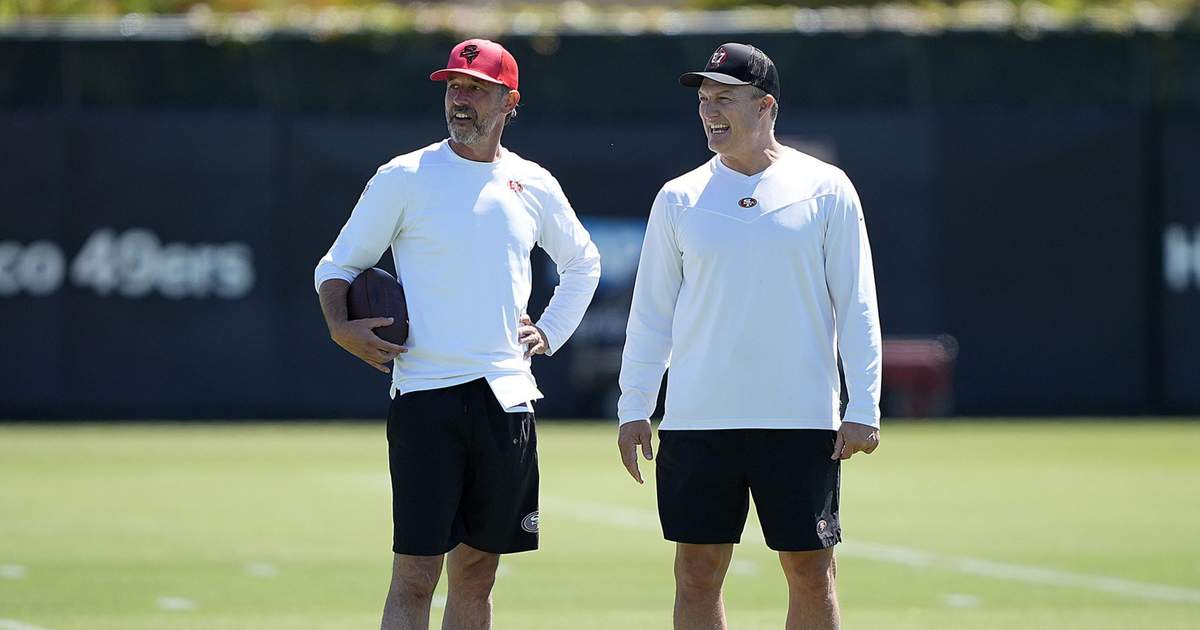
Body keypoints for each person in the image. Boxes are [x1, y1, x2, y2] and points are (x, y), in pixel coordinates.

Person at [314, 39, 600, 630]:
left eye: (476, 88)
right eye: (453, 86)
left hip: (506, 398)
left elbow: (583, 262)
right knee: (416, 575)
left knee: (477, 574)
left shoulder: (532, 182)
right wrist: (340, 327)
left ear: (509, 101)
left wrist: (549, 332)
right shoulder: (404, 177)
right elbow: (336, 266)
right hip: (425, 396)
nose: (460, 99)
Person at [615, 43, 882, 630]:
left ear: (765, 106)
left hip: (801, 420)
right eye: (705, 99)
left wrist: (864, 405)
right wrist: (634, 404)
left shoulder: (827, 187)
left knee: (812, 570)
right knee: (697, 571)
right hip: (696, 420)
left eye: (724, 98)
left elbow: (857, 303)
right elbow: (651, 314)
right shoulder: (678, 197)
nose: (710, 111)